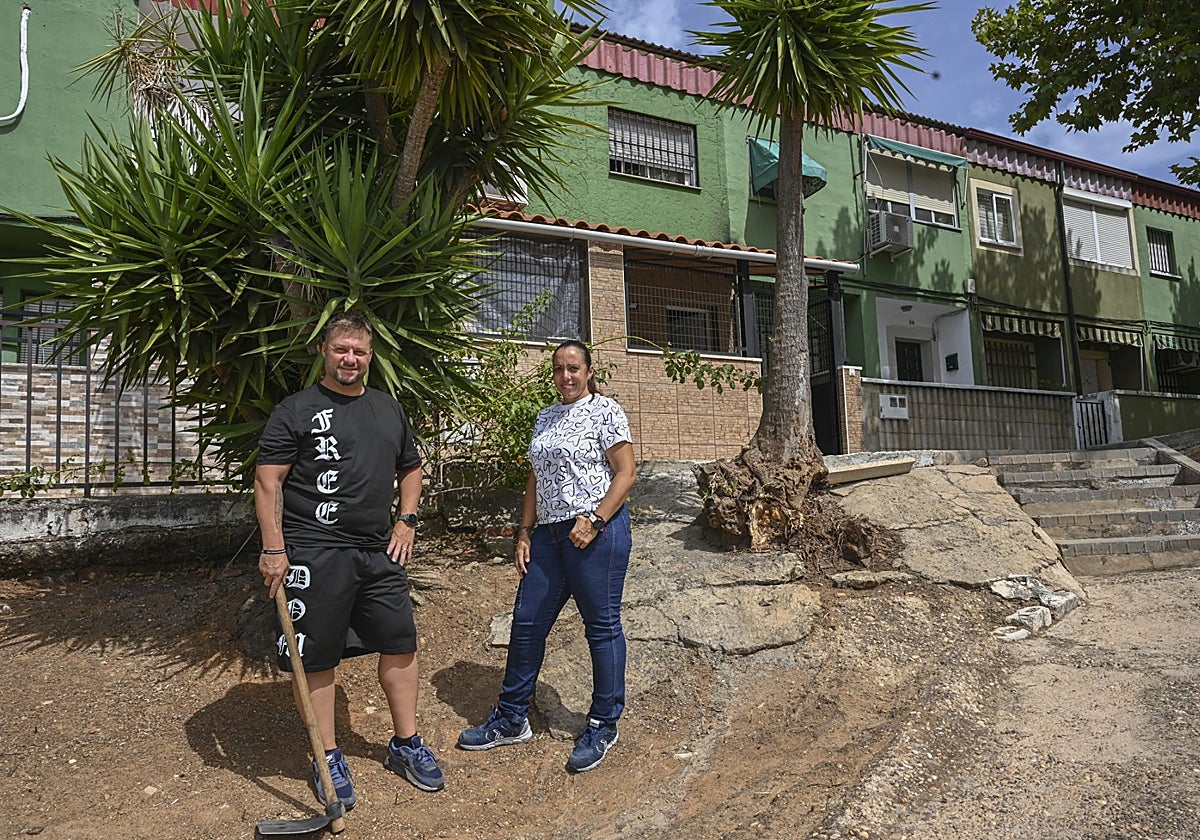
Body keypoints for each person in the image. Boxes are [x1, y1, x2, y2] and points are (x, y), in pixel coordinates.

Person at [254, 311, 444, 810]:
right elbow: (268, 481)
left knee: (400, 643)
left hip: (379, 551)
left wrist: (407, 520)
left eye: (359, 351)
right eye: (341, 349)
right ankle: (328, 756)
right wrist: (273, 549)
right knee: (317, 657)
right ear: (324, 350)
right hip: (314, 553)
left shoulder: (388, 409)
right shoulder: (296, 410)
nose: (350, 359)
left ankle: (406, 744)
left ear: (370, 356)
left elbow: (411, 469)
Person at [457, 339, 637, 773]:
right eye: (559, 369)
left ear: (589, 371)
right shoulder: (546, 417)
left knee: (601, 627)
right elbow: (536, 478)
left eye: (574, 368)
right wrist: (524, 532)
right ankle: (511, 718)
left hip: (595, 533)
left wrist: (595, 520)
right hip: (549, 537)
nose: (566, 376)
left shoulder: (606, 411)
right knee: (527, 623)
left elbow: (626, 472)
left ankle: (603, 723)